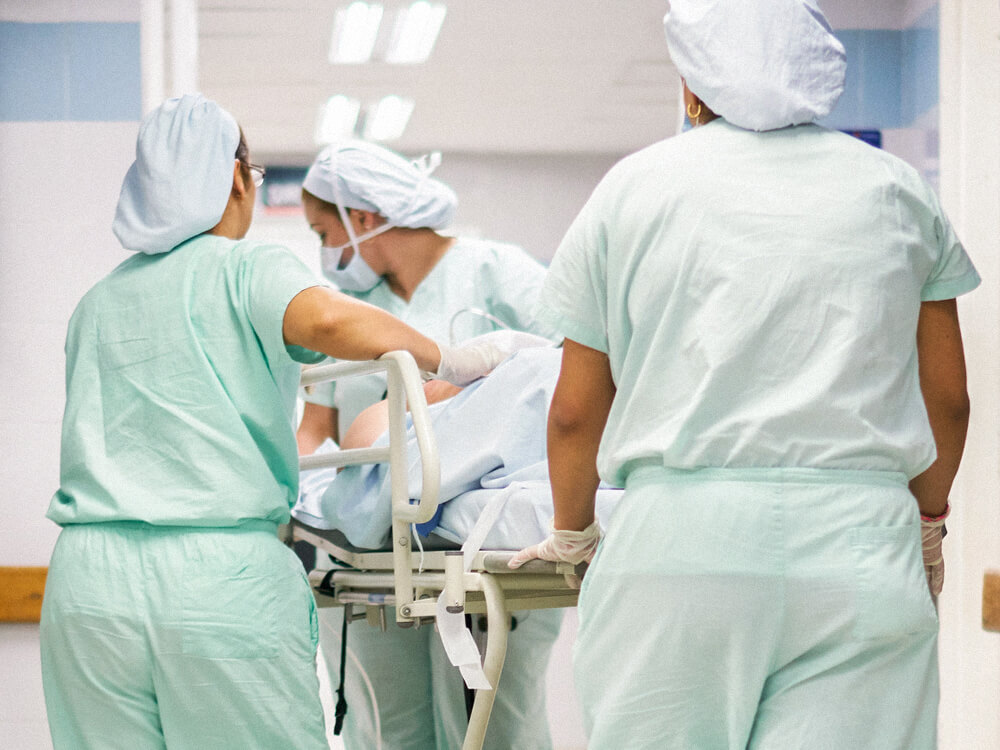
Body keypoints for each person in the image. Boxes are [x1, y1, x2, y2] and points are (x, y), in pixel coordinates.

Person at [509, 2, 979, 748]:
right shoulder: (894, 188)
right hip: (860, 545)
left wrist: (572, 534)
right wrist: (926, 525)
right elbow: (947, 399)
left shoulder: (635, 188)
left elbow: (573, 412)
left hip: (680, 546)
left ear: (693, 88)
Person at [38, 94, 510, 750]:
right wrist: (450, 357)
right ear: (235, 177)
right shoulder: (248, 268)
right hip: (213, 578)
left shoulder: (99, 300)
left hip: (87, 587)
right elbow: (325, 321)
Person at [296, 141, 562, 750]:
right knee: (389, 727)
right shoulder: (349, 311)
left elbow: (567, 379)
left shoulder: (498, 272)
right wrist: (298, 495)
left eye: (323, 231)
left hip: (475, 527)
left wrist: (451, 392)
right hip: (374, 551)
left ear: (363, 220)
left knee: (497, 724)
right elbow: (316, 428)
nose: (325, 252)